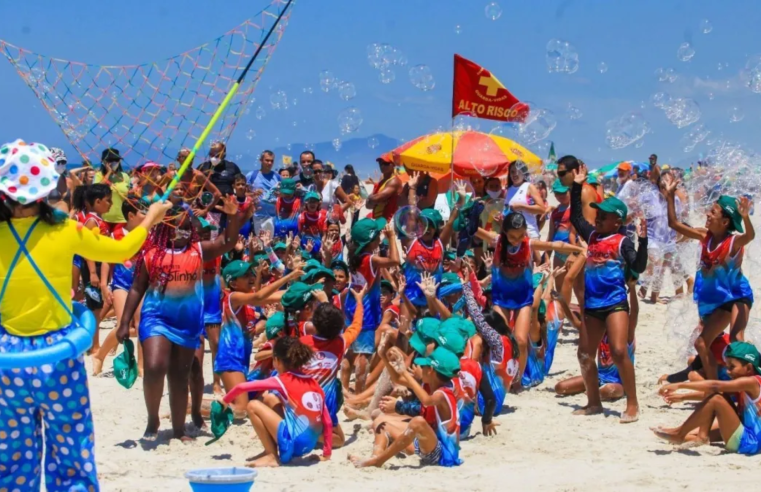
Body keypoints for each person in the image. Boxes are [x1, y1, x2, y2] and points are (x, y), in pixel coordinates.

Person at [0, 138, 171, 492]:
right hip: (59, 355)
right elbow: (122, 248)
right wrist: (152, 217)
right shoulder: (65, 229)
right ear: (48, 186)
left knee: (13, 457)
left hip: (8, 360)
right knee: (71, 449)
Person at [116, 195, 251, 441]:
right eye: (178, 227)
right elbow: (137, 287)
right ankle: (153, 418)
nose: (184, 232)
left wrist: (233, 217)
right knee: (155, 367)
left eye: (188, 227)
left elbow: (227, 241)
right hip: (156, 318)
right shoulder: (152, 254)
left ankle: (179, 429)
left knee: (180, 374)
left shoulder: (198, 250)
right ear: (165, 229)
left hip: (187, 323)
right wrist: (125, 321)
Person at [569, 165, 647, 422]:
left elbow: (637, 267)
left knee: (618, 351)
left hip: (615, 303)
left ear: (618, 221)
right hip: (592, 305)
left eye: (604, 215)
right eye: (598, 214)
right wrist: (577, 186)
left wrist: (643, 242)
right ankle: (593, 403)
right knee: (583, 354)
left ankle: (632, 404)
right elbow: (576, 219)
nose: (599, 218)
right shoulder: (592, 237)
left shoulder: (622, 242)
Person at [662, 174, 754, 381]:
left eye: (712, 212)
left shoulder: (733, 242)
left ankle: (743, 382)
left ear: (725, 221)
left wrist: (746, 217)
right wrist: (669, 196)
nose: (707, 214)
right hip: (715, 301)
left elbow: (750, 237)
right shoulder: (705, 236)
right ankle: (714, 386)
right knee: (702, 343)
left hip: (737, 297)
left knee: (737, 341)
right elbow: (674, 224)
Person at [482, 212, 582, 389]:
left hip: (523, 299)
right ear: (504, 232)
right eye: (513, 236)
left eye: (521, 235)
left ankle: (518, 379)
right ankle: (500, 375)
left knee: (520, 340)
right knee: (502, 339)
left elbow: (554, 244)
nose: (517, 240)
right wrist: (461, 205)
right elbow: (476, 231)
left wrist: (578, 250)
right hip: (501, 298)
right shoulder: (497, 242)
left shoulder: (528, 244)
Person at [220, 337, 333, 467]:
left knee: (252, 405)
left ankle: (271, 455)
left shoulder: (281, 379)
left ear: (277, 360)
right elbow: (328, 421)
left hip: (293, 444)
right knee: (270, 399)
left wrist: (224, 401)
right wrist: (326, 453)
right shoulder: (314, 383)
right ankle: (269, 450)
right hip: (309, 445)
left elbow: (241, 387)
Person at [349, 346, 462, 468]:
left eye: (423, 366)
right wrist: (385, 358)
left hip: (442, 455)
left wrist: (404, 372)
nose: (419, 368)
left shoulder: (443, 394)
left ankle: (379, 461)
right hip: (425, 444)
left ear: (431, 370)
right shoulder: (430, 384)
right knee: (380, 422)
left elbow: (426, 400)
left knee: (417, 422)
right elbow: (397, 379)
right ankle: (376, 456)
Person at [215, 261, 304, 412]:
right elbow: (260, 296)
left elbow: (277, 296)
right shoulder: (233, 297)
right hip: (230, 357)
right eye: (245, 276)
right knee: (241, 408)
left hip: (241, 357)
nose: (251, 277)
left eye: (251, 274)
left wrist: (304, 291)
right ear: (233, 283)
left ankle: (196, 404)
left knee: (244, 401)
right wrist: (289, 276)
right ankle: (196, 406)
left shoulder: (247, 298)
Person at [653, 341, 761, 455]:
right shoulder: (748, 382)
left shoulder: (751, 382)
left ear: (749, 368)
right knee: (690, 435)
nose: (728, 371)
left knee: (716, 398)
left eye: (732, 367)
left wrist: (679, 384)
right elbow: (718, 391)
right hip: (746, 433)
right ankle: (700, 436)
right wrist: (683, 397)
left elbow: (715, 386)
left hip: (749, 443)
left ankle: (678, 433)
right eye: (727, 366)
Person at [343, 218, 401, 396]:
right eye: (377, 235)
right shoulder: (371, 259)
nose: (380, 237)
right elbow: (395, 260)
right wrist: (391, 237)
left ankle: (344, 388)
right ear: (370, 240)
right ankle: (359, 395)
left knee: (351, 351)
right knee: (364, 355)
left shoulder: (353, 256)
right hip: (365, 310)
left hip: (352, 304)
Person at [504, 160, 545, 240]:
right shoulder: (508, 190)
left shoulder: (529, 187)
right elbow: (506, 211)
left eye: (518, 171)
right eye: (512, 172)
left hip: (530, 234)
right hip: (513, 235)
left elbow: (542, 209)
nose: (515, 174)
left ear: (524, 173)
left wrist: (522, 207)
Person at [95, 147, 131, 228]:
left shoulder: (125, 176)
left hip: (122, 219)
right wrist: (109, 172)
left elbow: (129, 195)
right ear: (104, 162)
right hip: (103, 219)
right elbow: (97, 189)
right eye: (110, 160)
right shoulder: (99, 175)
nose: (114, 162)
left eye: (116, 160)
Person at [246, 150, 281, 233]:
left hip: (273, 216)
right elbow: (243, 194)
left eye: (271, 161)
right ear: (261, 160)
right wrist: (253, 194)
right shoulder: (251, 175)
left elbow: (284, 195)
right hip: (256, 215)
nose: (269, 163)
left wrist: (280, 194)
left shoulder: (277, 177)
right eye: (267, 160)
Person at [366, 156, 402, 222]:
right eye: (380, 164)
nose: (382, 166)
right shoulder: (381, 183)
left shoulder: (394, 181)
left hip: (389, 221)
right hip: (379, 220)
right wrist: (372, 199)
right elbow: (367, 205)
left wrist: (371, 198)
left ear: (393, 164)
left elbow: (375, 199)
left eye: (386, 163)